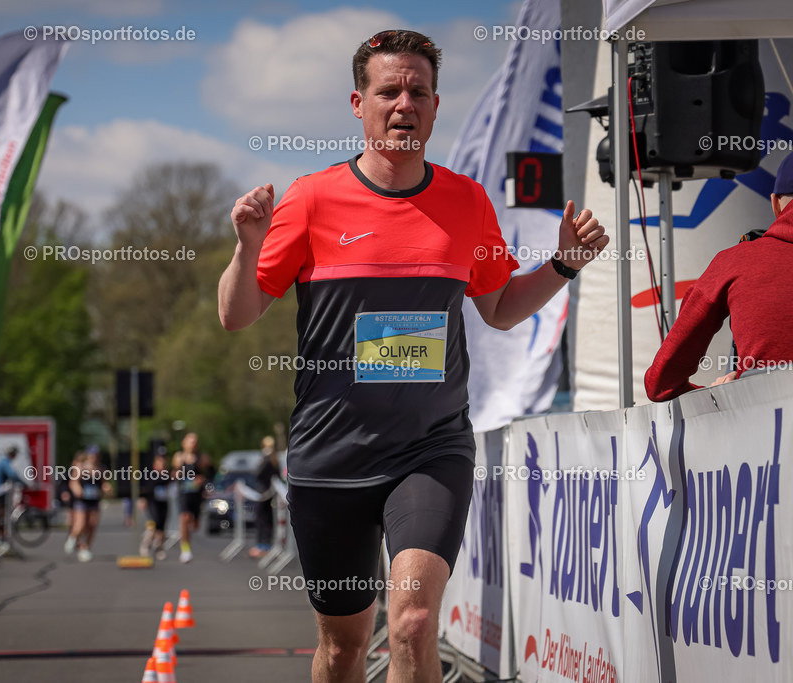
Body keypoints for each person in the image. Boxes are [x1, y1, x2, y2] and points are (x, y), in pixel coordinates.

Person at [217, 29, 607, 682]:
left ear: (433, 105)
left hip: (429, 449)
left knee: (414, 621)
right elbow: (236, 313)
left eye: (418, 92)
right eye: (389, 91)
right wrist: (247, 245)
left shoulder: (465, 201)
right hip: (330, 456)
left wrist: (565, 263)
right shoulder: (311, 199)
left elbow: (501, 306)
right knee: (343, 647)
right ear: (358, 103)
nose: (404, 104)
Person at [645, 152, 793, 401]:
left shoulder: (736, 261)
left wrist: (728, 396)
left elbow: (661, 384)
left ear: (776, 203)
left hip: (768, 427)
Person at [172, 432, 206, 563]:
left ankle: (188, 540)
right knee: (184, 518)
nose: (192, 444)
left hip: (196, 494)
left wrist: (201, 480)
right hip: (184, 493)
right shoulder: (179, 457)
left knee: (195, 524)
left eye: (195, 442)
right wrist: (178, 474)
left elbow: (209, 474)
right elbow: (173, 474)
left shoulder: (201, 458)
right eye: (190, 441)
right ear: (184, 443)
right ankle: (185, 550)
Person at [67, 447, 104, 562]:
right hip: (82, 500)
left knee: (92, 525)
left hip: (94, 500)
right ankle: (73, 537)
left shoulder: (101, 469)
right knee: (81, 524)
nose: (94, 458)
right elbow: (73, 482)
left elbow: (103, 483)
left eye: (96, 455)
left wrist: (106, 488)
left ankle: (85, 548)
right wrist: (77, 489)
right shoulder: (81, 468)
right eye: (92, 455)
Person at [249, 436, 281, 559]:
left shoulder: (267, 459)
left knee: (262, 519)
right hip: (267, 492)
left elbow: (258, 473)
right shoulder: (275, 459)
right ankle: (264, 545)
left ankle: (263, 546)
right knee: (266, 519)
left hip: (263, 493)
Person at [0, 446, 25, 543]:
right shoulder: (5, 462)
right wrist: (23, 482)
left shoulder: (2, 461)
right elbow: (12, 474)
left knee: (1, 514)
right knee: (1, 514)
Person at [139, 451, 171, 560]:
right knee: (153, 525)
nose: (162, 463)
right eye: (160, 461)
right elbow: (144, 489)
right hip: (153, 503)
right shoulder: (150, 475)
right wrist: (142, 500)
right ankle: (145, 545)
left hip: (163, 503)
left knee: (161, 528)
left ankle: (159, 548)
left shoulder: (167, 475)